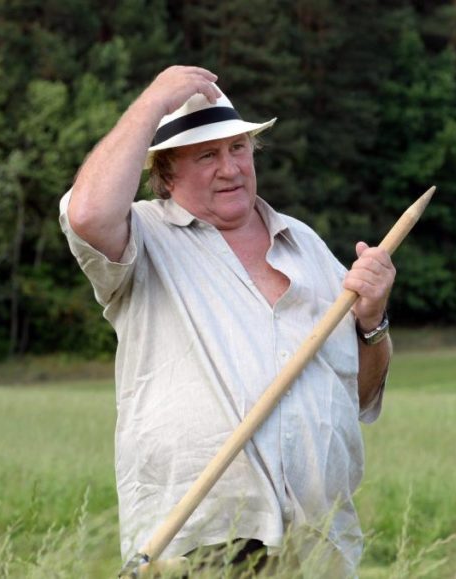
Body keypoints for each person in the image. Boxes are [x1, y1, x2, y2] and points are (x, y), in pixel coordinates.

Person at [59, 65, 395, 576]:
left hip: (317, 539)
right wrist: (152, 103)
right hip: (200, 536)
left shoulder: (305, 245)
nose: (230, 168)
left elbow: (359, 395)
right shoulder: (143, 237)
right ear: (166, 173)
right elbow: (87, 215)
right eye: (206, 155)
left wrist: (372, 322)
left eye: (238, 148)